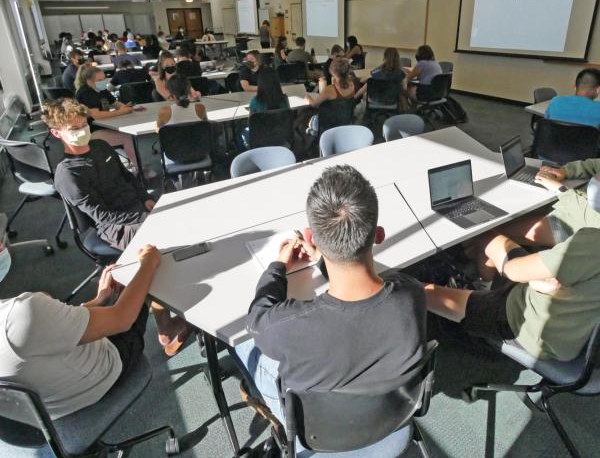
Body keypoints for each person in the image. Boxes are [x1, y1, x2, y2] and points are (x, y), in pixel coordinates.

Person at [232, 166, 426, 453]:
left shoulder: (292, 326)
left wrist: (278, 267)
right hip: (394, 418)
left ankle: (276, 416)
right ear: (379, 235)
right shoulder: (412, 295)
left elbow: (257, 319)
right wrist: (325, 261)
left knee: (242, 347)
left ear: (310, 238)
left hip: (318, 437)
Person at [42, 99, 191, 355]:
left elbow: (128, 177)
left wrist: (146, 198)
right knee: (161, 244)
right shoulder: (67, 173)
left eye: (83, 125)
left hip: (137, 208)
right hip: (111, 226)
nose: (82, 132)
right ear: (56, 133)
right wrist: (146, 220)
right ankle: (165, 326)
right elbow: (102, 216)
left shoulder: (100, 146)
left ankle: (175, 309)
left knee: (184, 220)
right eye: (73, 129)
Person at [425, 175, 600, 362]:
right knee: (491, 239)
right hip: (575, 332)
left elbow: (514, 271)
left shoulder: (593, 242)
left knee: (421, 291)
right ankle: (483, 285)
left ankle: (478, 293)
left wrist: (535, 279)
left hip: (529, 327)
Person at [0, 246, 168, 419]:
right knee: (145, 279)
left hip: (43, 414)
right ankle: (168, 329)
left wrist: (99, 300)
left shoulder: (17, 317)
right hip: (103, 374)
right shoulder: (22, 314)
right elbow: (122, 319)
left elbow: (42, 333)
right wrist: (149, 262)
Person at [74, 66, 139, 171]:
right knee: (128, 138)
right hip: (91, 131)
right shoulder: (85, 93)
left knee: (130, 133)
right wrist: (121, 112)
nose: (103, 82)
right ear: (89, 81)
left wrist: (124, 107)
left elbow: (115, 103)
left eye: (104, 79)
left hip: (105, 126)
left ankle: (133, 163)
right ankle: (140, 170)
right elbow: (96, 115)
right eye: (99, 80)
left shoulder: (101, 89)